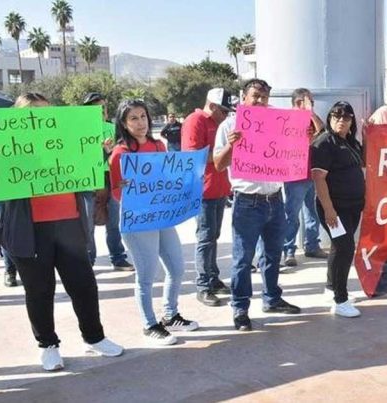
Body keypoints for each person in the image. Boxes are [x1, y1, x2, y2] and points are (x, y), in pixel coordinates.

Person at [0, 93, 123, 371]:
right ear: (16, 119)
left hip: (69, 224)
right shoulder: (4, 144)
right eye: (30, 113)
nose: (37, 119)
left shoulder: (65, 141)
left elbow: (88, 170)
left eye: (43, 112)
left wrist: (99, 151)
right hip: (28, 230)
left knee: (84, 285)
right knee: (39, 291)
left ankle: (94, 337)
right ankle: (48, 345)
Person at [213, 79, 301, 332]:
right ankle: (240, 308)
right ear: (244, 97)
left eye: (264, 96)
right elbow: (218, 164)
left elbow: (293, 150)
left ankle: (272, 298)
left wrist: (301, 137)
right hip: (247, 202)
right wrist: (233, 143)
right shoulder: (229, 125)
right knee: (243, 259)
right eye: (255, 96)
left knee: (273, 255)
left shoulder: (277, 121)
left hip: (275, 197)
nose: (260, 101)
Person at [109, 99, 199, 345]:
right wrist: (128, 188)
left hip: (163, 216)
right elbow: (117, 193)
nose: (140, 123)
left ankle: (170, 315)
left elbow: (168, 178)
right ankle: (149, 324)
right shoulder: (121, 154)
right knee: (146, 275)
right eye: (133, 119)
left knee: (177, 268)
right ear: (124, 124)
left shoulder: (159, 146)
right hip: (138, 222)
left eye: (143, 117)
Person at [311, 101, 365, 318]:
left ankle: (331, 288)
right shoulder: (324, 142)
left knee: (338, 248)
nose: (341, 120)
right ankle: (340, 300)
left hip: (352, 206)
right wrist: (329, 209)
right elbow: (318, 178)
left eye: (346, 117)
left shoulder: (351, 142)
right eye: (336, 116)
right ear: (330, 118)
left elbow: (364, 162)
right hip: (335, 207)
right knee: (345, 248)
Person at [182, 88, 235, 306]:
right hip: (204, 191)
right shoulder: (195, 121)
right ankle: (203, 285)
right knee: (205, 237)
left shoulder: (219, 123)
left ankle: (212, 278)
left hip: (220, 188)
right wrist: (223, 153)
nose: (226, 115)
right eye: (223, 111)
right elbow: (193, 156)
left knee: (213, 235)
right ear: (212, 106)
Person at [80, 92, 134, 272]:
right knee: (88, 223)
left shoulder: (113, 128)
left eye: (103, 107)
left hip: (111, 180)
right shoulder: (79, 131)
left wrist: (109, 152)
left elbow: (121, 154)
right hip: (89, 181)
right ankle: (89, 260)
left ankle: (118, 258)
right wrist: (100, 151)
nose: (100, 110)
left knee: (114, 222)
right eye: (95, 107)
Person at [282, 88, 328, 268]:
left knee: (312, 211)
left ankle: (312, 245)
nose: (312, 104)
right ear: (299, 102)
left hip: (311, 172)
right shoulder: (288, 119)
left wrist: (312, 114)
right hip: (295, 175)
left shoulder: (310, 118)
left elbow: (322, 131)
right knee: (292, 213)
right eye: (310, 101)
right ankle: (289, 249)